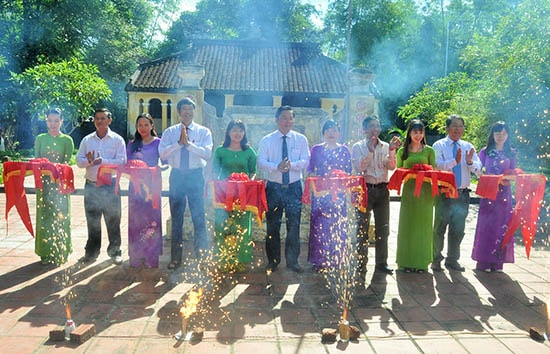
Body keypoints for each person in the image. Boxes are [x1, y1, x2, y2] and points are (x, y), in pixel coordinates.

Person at [159, 97, 213, 270]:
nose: (187, 112)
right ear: (179, 112)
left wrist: (188, 145)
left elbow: (206, 154)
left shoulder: (203, 132)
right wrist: (178, 144)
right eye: (184, 109)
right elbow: (162, 154)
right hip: (177, 177)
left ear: (194, 111)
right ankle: (175, 258)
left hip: (195, 176)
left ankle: (202, 258)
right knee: (177, 219)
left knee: (199, 218)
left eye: (190, 109)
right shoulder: (170, 132)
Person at [257, 105, 310, 273]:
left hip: (294, 187)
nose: (287, 121)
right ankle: (273, 261)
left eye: (290, 118)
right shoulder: (267, 140)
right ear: (276, 120)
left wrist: (291, 165)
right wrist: (276, 167)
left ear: (293, 120)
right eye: (284, 118)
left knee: (293, 225)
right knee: (273, 225)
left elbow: (306, 161)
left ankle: (292, 262)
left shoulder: (301, 139)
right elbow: (261, 162)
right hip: (273, 187)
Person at [352, 115, 401, 281]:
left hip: (382, 189)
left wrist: (393, 150)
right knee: (362, 228)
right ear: (364, 130)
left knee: (383, 228)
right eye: (371, 127)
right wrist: (370, 151)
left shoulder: (386, 146)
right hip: (364, 189)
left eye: (377, 126)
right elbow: (359, 167)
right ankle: (361, 263)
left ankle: (381, 262)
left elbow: (391, 166)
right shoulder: (358, 146)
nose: (375, 129)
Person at [76, 108, 127, 265]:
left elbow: (122, 162)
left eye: (103, 118)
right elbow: (79, 161)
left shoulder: (117, 140)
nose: (99, 121)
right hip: (91, 185)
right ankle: (91, 253)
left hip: (110, 185)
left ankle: (115, 251)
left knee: (113, 220)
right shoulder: (87, 140)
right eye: (97, 118)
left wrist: (102, 161)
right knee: (92, 221)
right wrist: (90, 162)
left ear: (109, 120)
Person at [432, 114, 481, 272]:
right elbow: (437, 166)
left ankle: (452, 260)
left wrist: (469, 162)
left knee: (458, 229)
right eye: (454, 125)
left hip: (462, 194)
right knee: (440, 227)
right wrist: (454, 161)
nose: (457, 129)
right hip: (444, 193)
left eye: (460, 126)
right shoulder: (439, 145)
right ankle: (436, 259)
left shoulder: (468, 146)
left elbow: (479, 172)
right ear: (447, 128)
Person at [306, 120, 352, 271]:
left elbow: (349, 171)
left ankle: (337, 259)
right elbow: (310, 169)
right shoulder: (316, 149)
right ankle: (318, 261)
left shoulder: (344, 150)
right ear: (323, 132)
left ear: (339, 133)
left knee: (337, 225)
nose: (331, 133)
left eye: (334, 130)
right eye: (328, 130)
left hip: (338, 194)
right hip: (320, 194)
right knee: (319, 227)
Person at [212, 120, 257, 272]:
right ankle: (225, 260)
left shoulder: (249, 151)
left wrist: (248, 182)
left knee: (243, 227)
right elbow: (214, 171)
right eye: (234, 130)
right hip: (224, 195)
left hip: (244, 196)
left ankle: (241, 260)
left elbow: (253, 171)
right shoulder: (220, 150)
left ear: (244, 133)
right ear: (228, 132)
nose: (237, 133)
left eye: (240, 130)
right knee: (223, 226)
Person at [471, 121, 517, 273]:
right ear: (492, 135)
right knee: (486, 225)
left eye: (503, 133)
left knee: (502, 226)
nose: (500, 136)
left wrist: (507, 178)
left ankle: (498, 262)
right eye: (497, 133)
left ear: (508, 135)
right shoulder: (485, 151)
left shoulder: (511, 152)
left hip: (504, 194)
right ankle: (483, 261)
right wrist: (482, 175)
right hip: (488, 193)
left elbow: (515, 174)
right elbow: (477, 170)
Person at [33, 108, 74, 265]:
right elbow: (36, 161)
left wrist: (55, 171)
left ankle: (61, 250)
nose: (53, 124)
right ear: (46, 121)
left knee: (61, 215)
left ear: (61, 121)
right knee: (45, 216)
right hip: (43, 184)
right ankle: (45, 252)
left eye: (56, 121)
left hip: (60, 185)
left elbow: (66, 163)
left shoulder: (67, 140)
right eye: (50, 120)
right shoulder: (40, 138)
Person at [395, 120, 436, 273]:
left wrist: (424, 171)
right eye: (414, 132)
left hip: (425, 192)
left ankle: (421, 263)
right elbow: (398, 171)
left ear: (423, 134)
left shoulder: (429, 151)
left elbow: (435, 172)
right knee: (407, 225)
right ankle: (405, 262)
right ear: (409, 133)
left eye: (420, 132)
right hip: (409, 192)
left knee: (423, 227)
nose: (418, 135)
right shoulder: (402, 151)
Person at [126, 113, 162, 268]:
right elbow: (126, 163)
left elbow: (166, 161)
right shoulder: (132, 144)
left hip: (152, 186)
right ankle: (136, 255)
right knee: (135, 220)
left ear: (152, 126)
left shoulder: (159, 143)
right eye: (140, 125)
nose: (143, 128)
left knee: (152, 220)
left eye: (146, 125)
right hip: (135, 187)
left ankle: (151, 256)